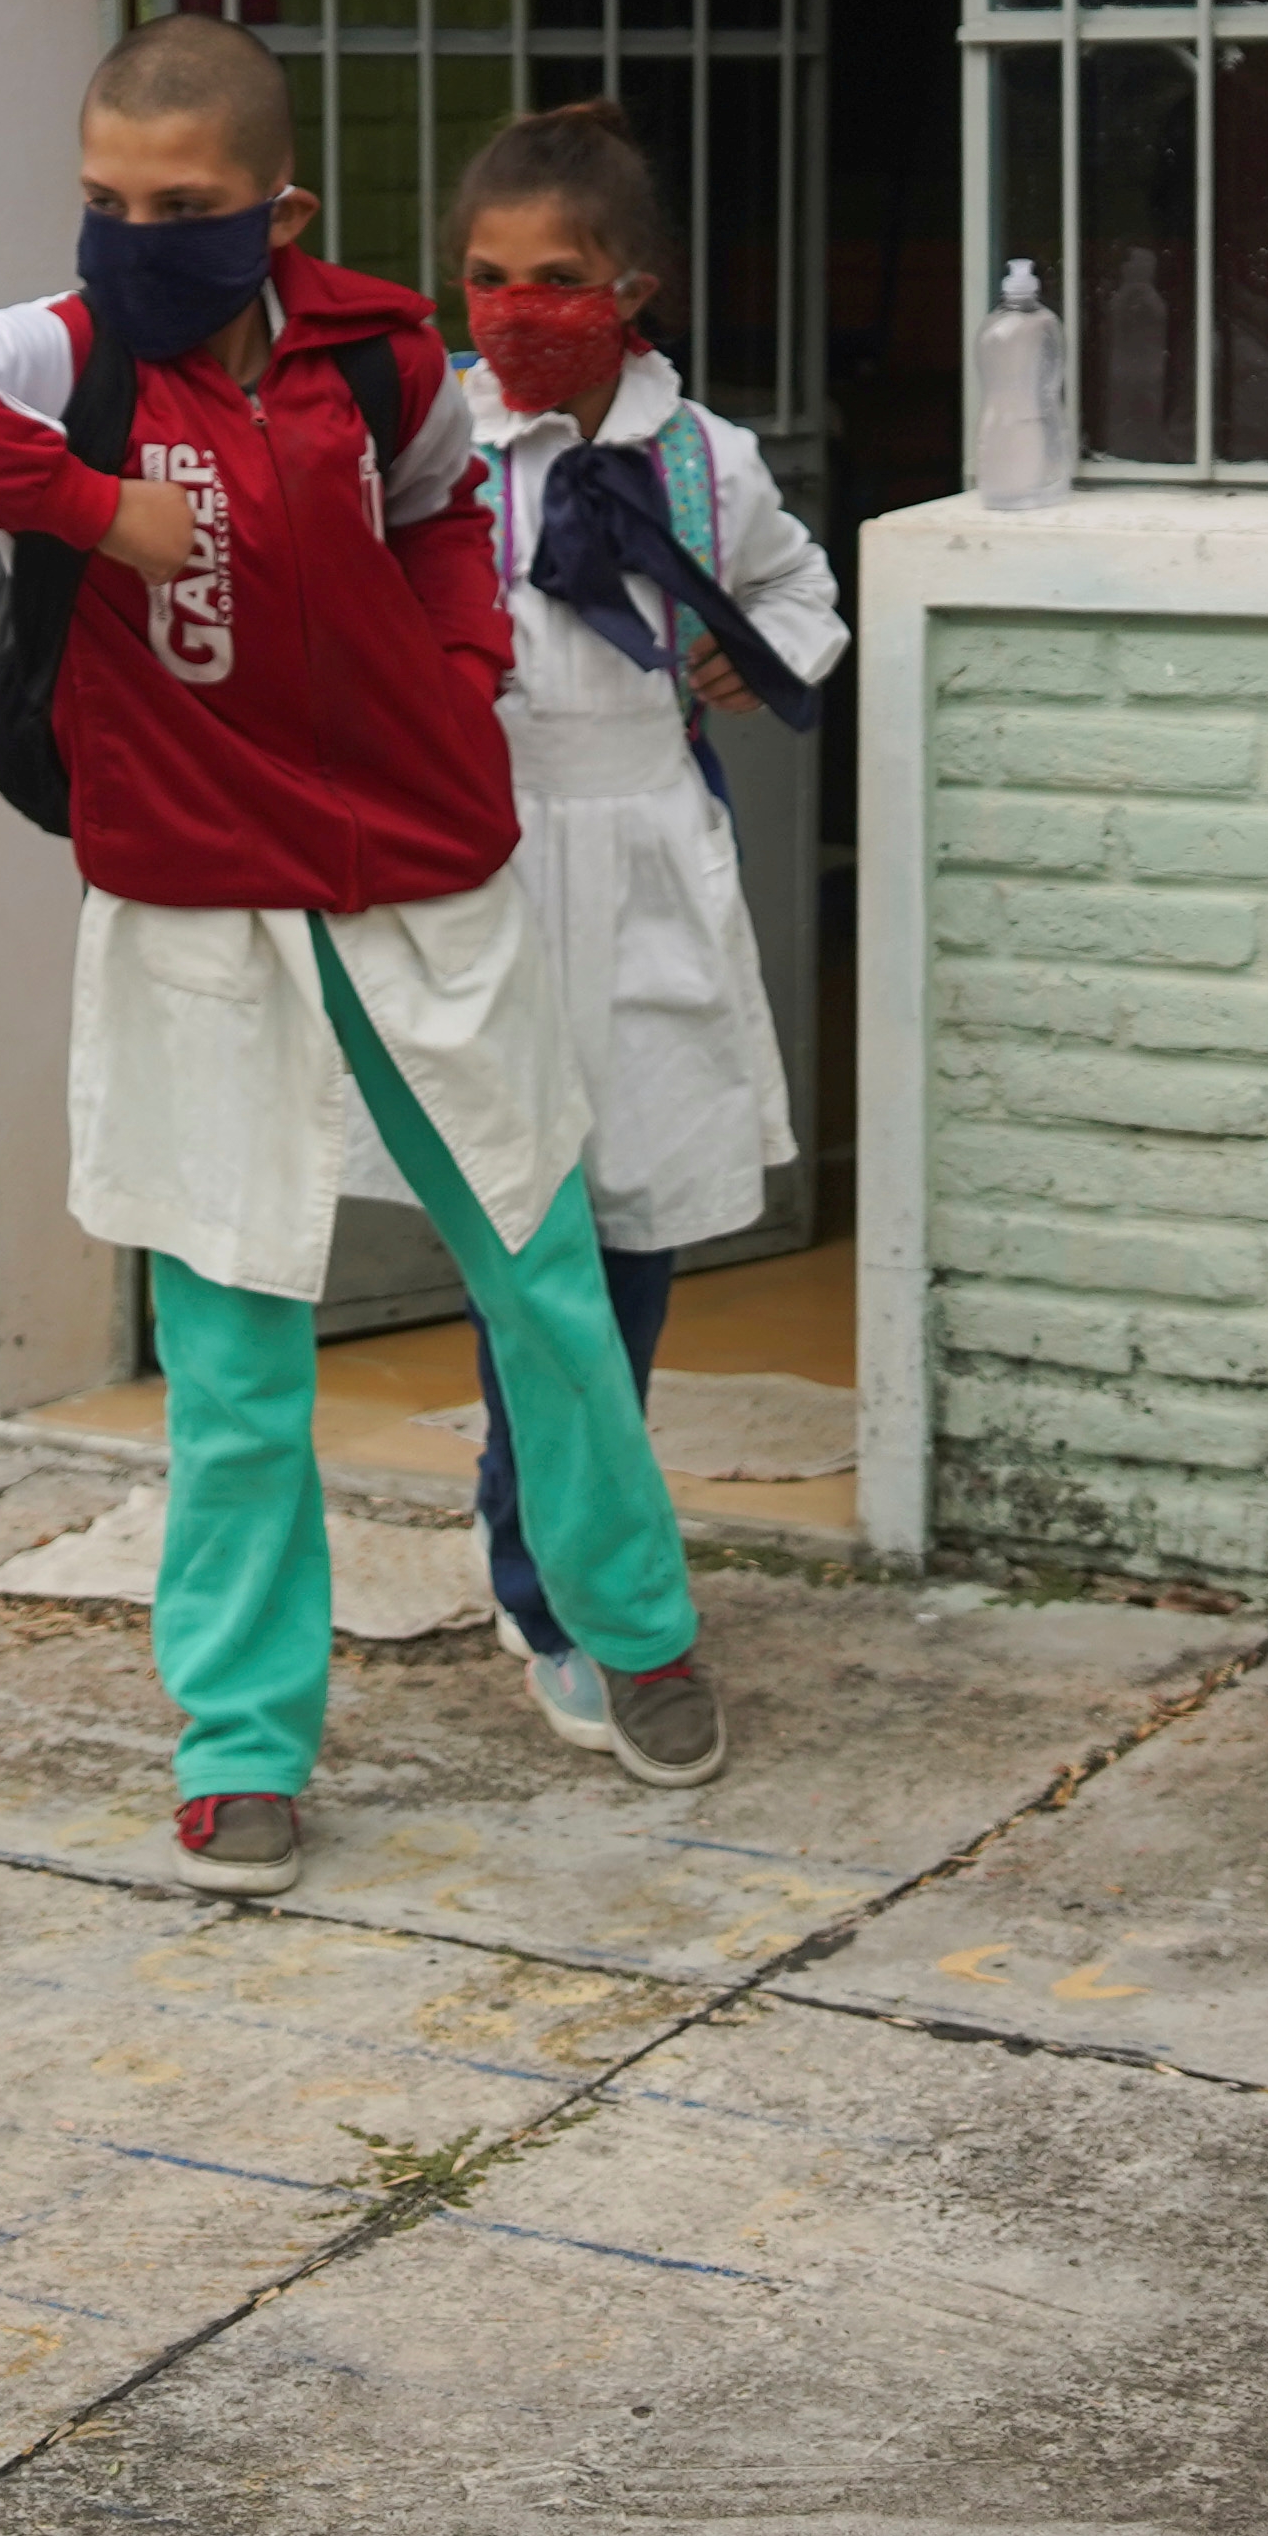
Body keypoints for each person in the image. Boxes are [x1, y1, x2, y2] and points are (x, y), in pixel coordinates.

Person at [0, 14, 728, 1901]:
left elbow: (454, 515)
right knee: (232, 1353)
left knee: (543, 1284)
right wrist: (83, 503)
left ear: (278, 207)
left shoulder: (378, 351)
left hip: (417, 881)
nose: (140, 233)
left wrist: (457, 682)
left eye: (187, 205)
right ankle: (238, 1741)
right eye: (108, 198)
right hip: (199, 906)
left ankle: (635, 1629)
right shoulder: (65, 352)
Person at [421, 102, 839, 1767]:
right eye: (486, 277)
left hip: (651, 857)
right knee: (528, 1236)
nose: (520, 309)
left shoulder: (704, 460)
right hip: (492, 859)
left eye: (559, 278)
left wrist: (767, 653)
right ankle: (549, 1583)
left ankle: (569, 1533)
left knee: (636, 1234)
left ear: (633, 287)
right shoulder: (437, 447)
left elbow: (801, 590)